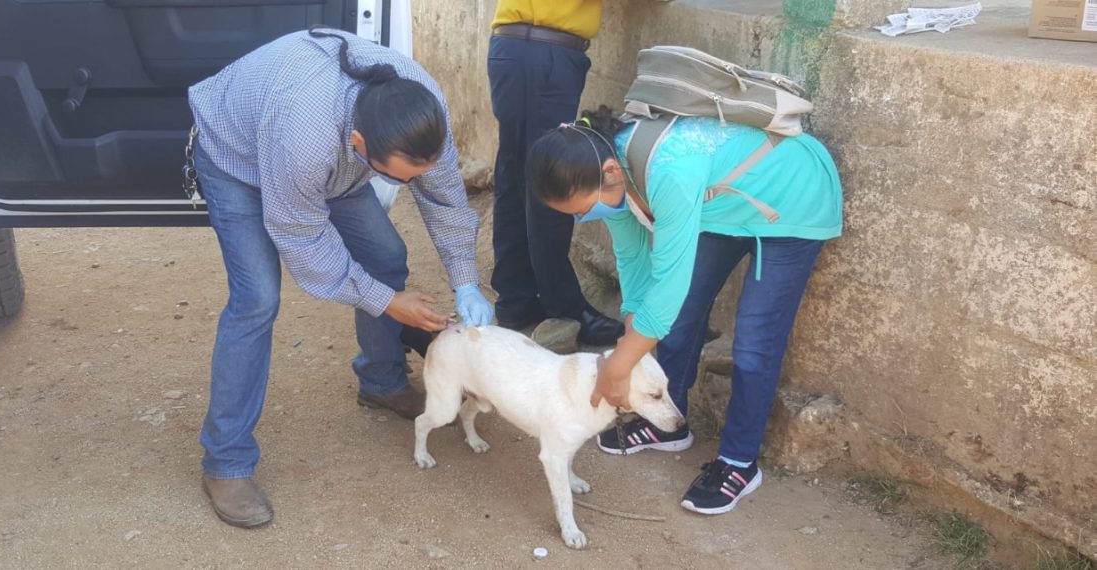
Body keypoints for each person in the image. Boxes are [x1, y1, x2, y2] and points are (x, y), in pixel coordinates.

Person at [187, 27, 493, 528]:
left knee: (386, 255)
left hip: (331, 163)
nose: (410, 185)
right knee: (257, 298)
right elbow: (303, 238)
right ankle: (226, 463)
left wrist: (466, 279)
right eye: (399, 177)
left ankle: (380, 381)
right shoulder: (305, 137)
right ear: (359, 143)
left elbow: (443, 197)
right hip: (236, 155)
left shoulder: (420, 108)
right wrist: (387, 302)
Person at [526, 107, 843, 515]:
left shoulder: (669, 172)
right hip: (725, 204)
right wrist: (631, 345)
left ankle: (739, 461)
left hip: (793, 200)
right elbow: (636, 268)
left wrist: (619, 366)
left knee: (754, 341)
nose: (584, 218)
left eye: (583, 209)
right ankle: (669, 421)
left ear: (609, 172)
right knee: (673, 320)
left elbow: (668, 287)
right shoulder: (615, 174)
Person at [486, 0, 624, 344]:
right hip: (547, 54)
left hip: (510, 46)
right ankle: (565, 308)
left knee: (514, 175)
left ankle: (516, 300)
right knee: (554, 178)